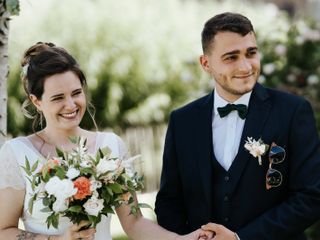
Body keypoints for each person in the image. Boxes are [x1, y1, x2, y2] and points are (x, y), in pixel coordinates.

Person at [0, 42, 212, 240]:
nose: (71, 104)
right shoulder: (17, 153)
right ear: (36, 101)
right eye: (58, 98)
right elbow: (4, 230)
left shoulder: (110, 146)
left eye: (76, 93)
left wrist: (181, 239)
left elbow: (134, 223)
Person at [155, 12, 320, 240]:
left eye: (251, 53)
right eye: (231, 57)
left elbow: (311, 197)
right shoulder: (182, 121)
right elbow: (168, 201)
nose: (245, 66)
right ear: (206, 63)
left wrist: (241, 238)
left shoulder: (293, 111)